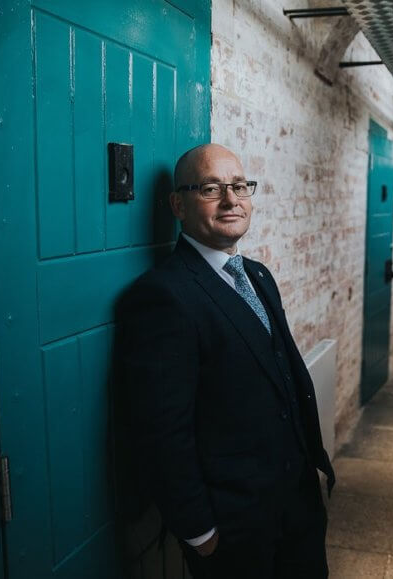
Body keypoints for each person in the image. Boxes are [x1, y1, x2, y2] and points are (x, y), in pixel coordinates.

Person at [120, 143, 335, 578]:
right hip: (235, 528)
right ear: (178, 205)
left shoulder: (257, 275)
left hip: (297, 506)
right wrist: (199, 531)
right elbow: (164, 430)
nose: (231, 200)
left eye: (239, 186)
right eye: (211, 188)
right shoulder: (164, 296)